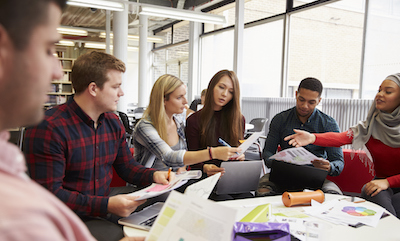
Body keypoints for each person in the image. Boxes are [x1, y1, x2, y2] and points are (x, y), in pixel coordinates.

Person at [23, 51, 172, 241]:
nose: (121, 93)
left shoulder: (112, 121)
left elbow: (126, 167)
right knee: (127, 237)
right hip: (67, 217)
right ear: (93, 89)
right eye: (116, 86)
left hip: (103, 204)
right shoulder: (49, 127)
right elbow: (50, 196)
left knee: (167, 205)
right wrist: (106, 205)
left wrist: (154, 175)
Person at [284, 73, 400, 218]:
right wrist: (312, 137)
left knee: (394, 204)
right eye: (379, 90)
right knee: (370, 191)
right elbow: (341, 138)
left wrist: (388, 182)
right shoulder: (372, 125)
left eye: (388, 91)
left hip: (388, 182)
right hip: (382, 183)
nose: (380, 95)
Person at [133, 74, 241, 173]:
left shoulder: (178, 122)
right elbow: (169, 157)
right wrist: (213, 153)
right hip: (149, 187)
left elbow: (183, 155)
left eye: (184, 96)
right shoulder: (145, 127)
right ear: (163, 100)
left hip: (173, 182)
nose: (185, 102)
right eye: (179, 97)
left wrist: (182, 168)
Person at [257, 77, 344, 196]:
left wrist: (330, 167)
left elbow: (338, 162)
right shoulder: (280, 119)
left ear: (319, 101)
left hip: (315, 177)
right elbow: (267, 152)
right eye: (301, 99)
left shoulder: (329, 124)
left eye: (311, 102)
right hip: (283, 175)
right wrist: (275, 160)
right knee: (263, 190)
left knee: (334, 194)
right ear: (296, 94)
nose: (305, 106)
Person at [186, 70, 246, 200]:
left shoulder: (239, 119)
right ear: (211, 87)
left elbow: (237, 148)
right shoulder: (194, 120)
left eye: (230, 91)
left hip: (231, 177)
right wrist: (205, 167)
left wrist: (240, 156)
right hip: (206, 179)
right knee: (226, 201)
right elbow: (191, 159)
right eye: (221, 87)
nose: (224, 94)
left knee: (248, 197)